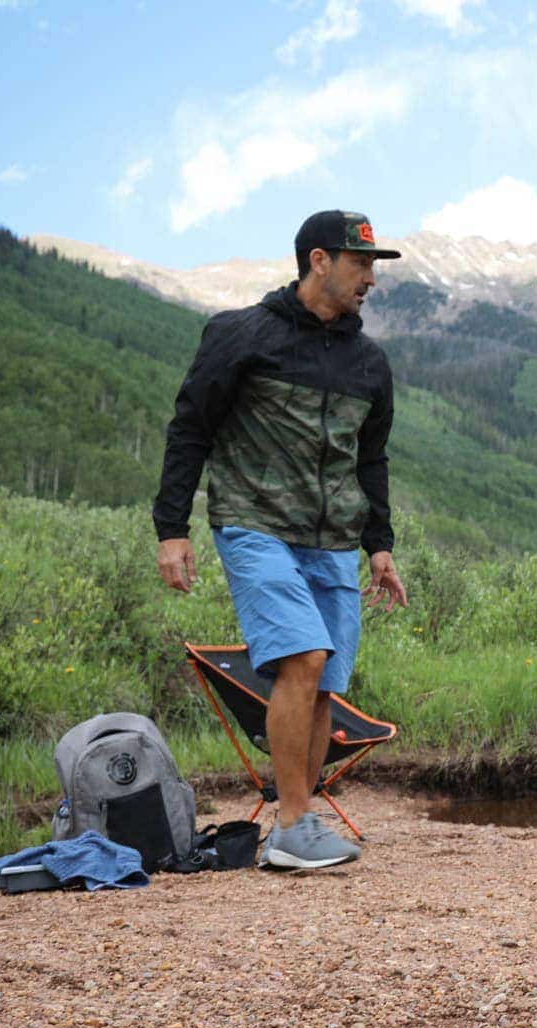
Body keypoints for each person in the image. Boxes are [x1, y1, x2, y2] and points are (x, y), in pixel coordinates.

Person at [153, 210, 409, 872]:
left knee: (321, 678)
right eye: (361, 264)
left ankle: (302, 818)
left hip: (333, 540)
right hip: (254, 522)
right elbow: (191, 428)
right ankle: (293, 825)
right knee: (302, 656)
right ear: (318, 260)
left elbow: (369, 460)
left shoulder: (369, 364)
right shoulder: (242, 335)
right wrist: (172, 528)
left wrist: (379, 545)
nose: (370, 279)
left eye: (375, 267)